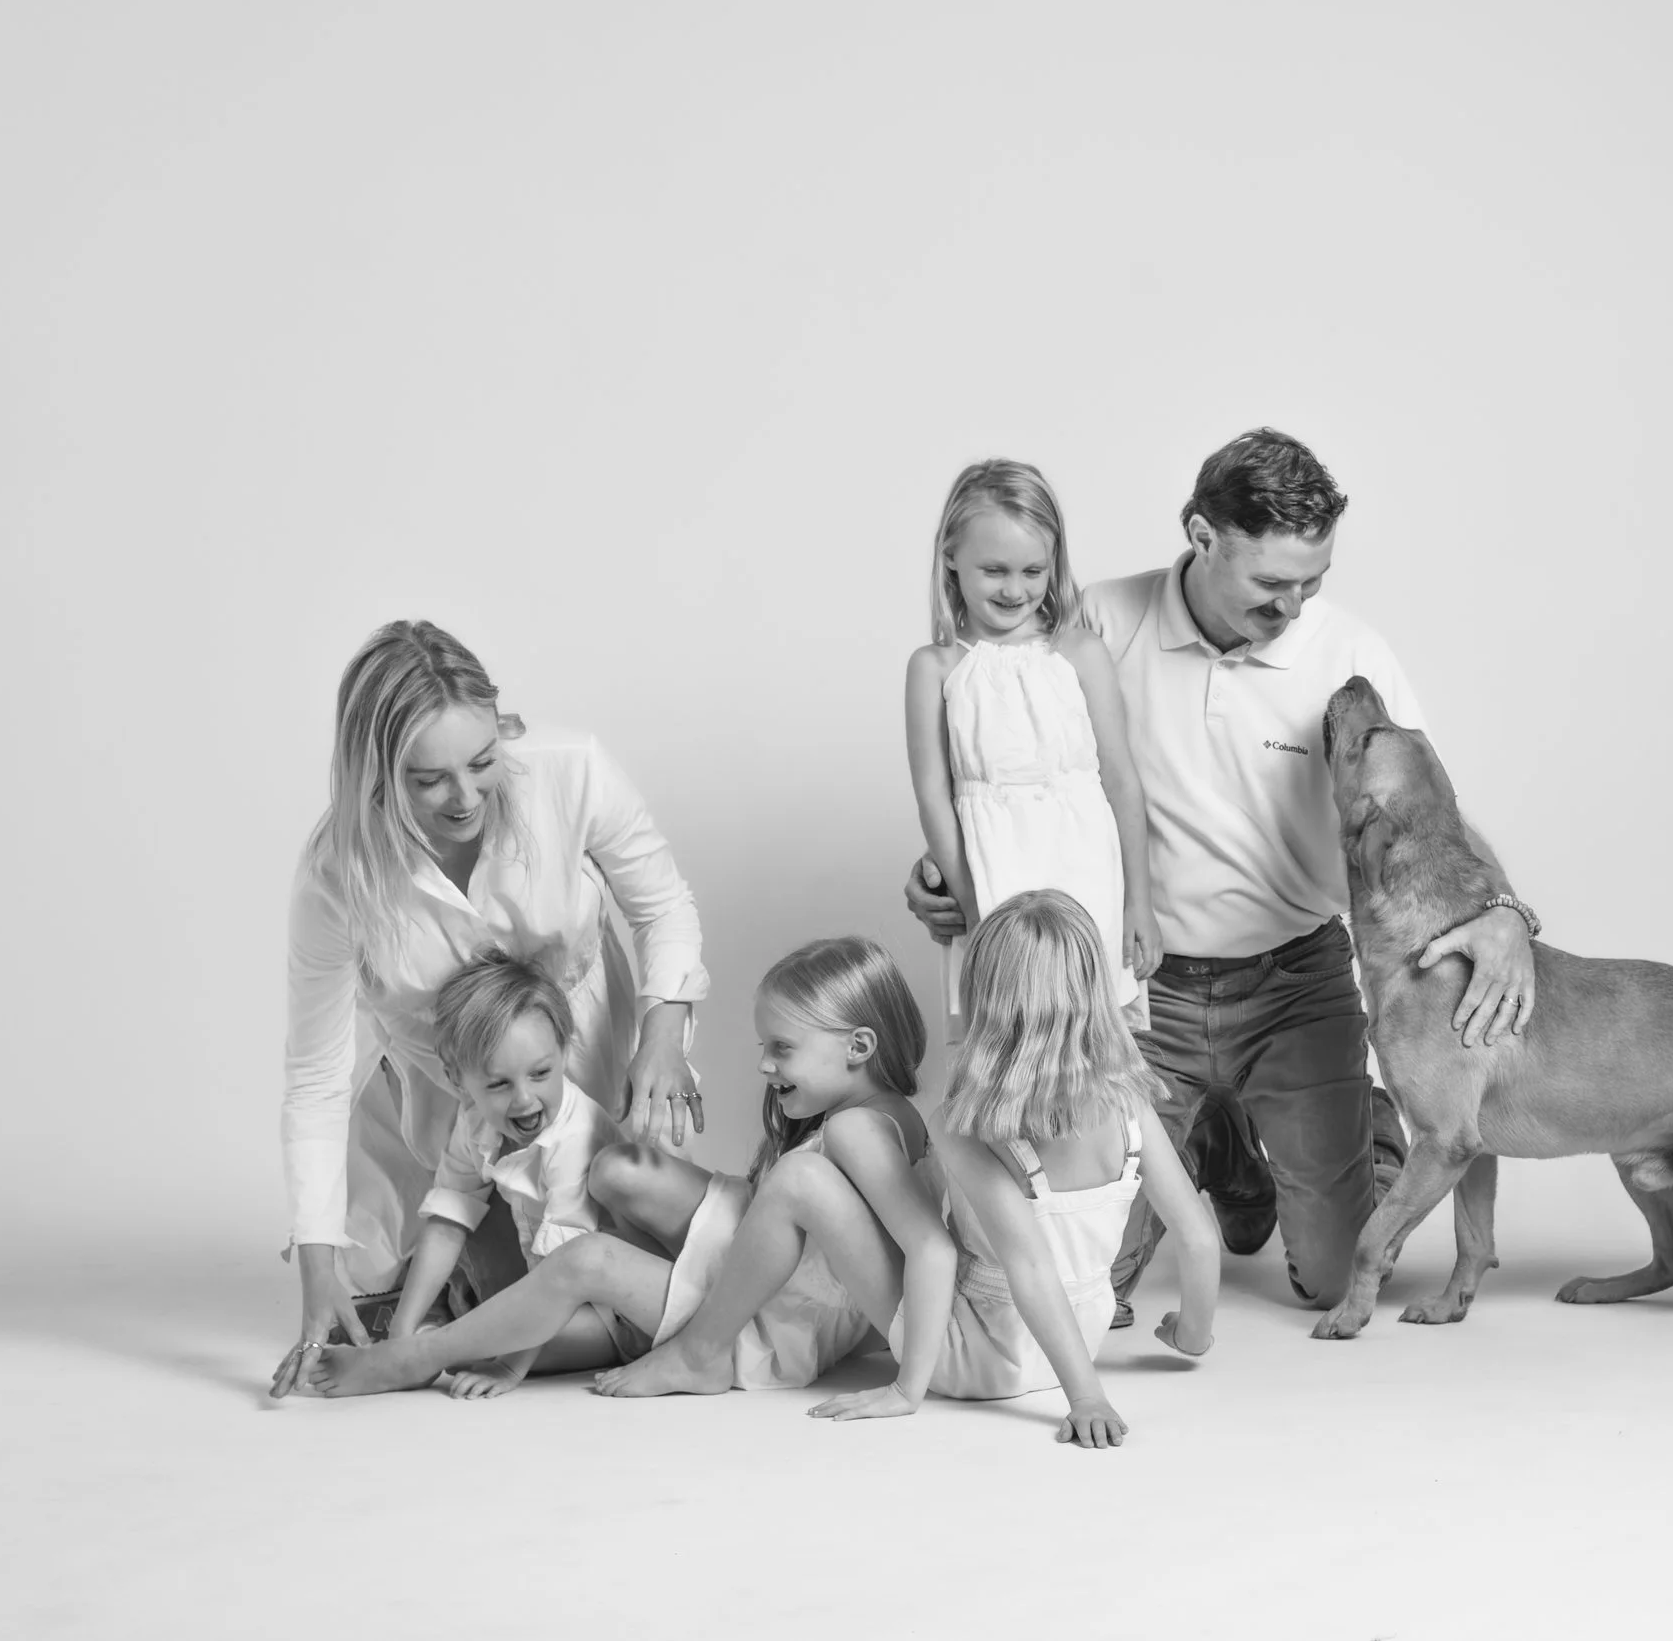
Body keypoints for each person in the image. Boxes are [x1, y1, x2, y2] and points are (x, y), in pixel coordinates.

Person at [905, 430, 1542, 1319]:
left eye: (1311, 581)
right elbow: (1014, 756)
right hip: (1143, 984)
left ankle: (1358, 1126)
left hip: (1295, 979)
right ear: (1201, 536)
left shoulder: (1348, 652)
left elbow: (1429, 813)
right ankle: (1219, 1138)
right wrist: (950, 870)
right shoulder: (1097, 622)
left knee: (1331, 1276)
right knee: (1087, 1277)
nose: (1293, 605)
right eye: (1271, 583)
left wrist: (1505, 908)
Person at [269, 620, 709, 1399]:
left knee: (587, 1247)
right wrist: (317, 1256)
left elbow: (662, 903)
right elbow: (312, 1074)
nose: (466, 796)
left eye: (480, 763)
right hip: (448, 1090)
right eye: (428, 778)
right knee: (451, 1276)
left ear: (502, 723)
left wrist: (664, 1033)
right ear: (374, 773)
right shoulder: (337, 872)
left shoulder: (570, 769)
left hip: (578, 1041)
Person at [616, 893, 1218, 1450]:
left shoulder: (968, 1125)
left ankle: (700, 1348)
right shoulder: (1129, 1105)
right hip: (1081, 1339)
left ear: (985, 999)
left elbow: (1026, 1269)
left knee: (803, 1180)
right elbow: (1194, 1235)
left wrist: (917, 1390)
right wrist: (1192, 1334)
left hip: (979, 1361)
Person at [307, 937, 928, 1399]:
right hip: (759, 1257)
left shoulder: (862, 1133)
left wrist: (512, 1361)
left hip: (773, 1315)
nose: (764, 1067)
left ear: (859, 1046)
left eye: (782, 1050)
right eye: (767, 1047)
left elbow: (904, 1260)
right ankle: (444, 1333)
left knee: (580, 1262)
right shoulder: (876, 1117)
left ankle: (414, 1358)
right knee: (618, 1172)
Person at [904, 459, 1158, 1020]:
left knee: (1095, 1048)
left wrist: (1139, 900)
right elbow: (933, 798)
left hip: (1087, 877)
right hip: (992, 880)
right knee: (1005, 1052)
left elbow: (1120, 780)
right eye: (995, 570)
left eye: (1033, 571)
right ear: (950, 555)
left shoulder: (1080, 653)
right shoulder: (935, 667)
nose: (1015, 590)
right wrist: (975, 910)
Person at [366, 951, 635, 1398]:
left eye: (540, 1073)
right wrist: (401, 1329)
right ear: (457, 1079)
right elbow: (448, 1218)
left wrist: (510, 1367)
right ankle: (407, 1345)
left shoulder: (573, 1139)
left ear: (565, 1050)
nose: (524, 1099)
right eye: (498, 1084)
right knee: (448, 1335)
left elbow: (561, 1277)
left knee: (460, 1352)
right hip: (550, 1295)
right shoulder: (474, 1122)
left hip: (615, 1311)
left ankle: (430, 1349)